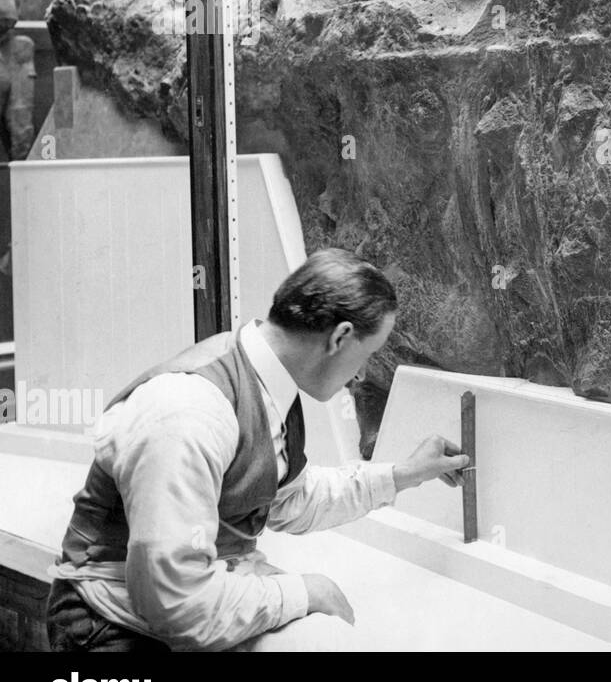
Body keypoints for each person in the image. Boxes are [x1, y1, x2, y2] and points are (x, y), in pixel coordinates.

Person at [45, 248, 468, 652]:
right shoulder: (189, 410)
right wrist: (301, 591)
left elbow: (290, 500)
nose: (361, 376)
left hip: (175, 606)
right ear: (340, 337)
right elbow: (172, 599)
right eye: (368, 355)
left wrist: (404, 474)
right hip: (111, 626)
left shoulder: (269, 385)